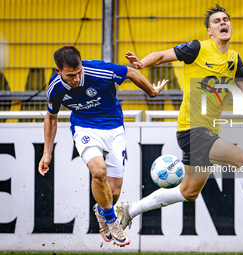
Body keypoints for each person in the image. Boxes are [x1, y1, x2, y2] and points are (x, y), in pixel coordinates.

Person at [117, 4, 243, 236]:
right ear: (209, 30)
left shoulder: (234, 59)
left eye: (226, 19)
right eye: (216, 21)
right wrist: (142, 64)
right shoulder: (197, 48)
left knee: (188, 192)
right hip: (193, 130)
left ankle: (130, 209)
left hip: (207, 131)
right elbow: (163, 55)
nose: (223, 23)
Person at [38, 46, 168, 247]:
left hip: (114, 127)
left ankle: (102, 210)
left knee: (113, 193)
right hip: (84, 128)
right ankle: (112, 221)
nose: (76, 78)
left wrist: (152, 91)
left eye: (79, 71)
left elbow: (131, 72)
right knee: (99, 172)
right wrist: (47, 152)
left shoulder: (99, 70)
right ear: (59, 72)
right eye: (71, 75)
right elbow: (51, 117)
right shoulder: (55, 87)